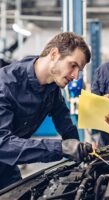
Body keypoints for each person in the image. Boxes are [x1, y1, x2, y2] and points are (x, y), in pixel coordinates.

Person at [0, 32, 93, 189]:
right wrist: (61, 148)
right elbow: (3, 144)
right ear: (54, 54)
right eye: (73, 65)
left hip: (6, 166)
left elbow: (62, 117)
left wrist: (80, 149)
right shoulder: (6, 85)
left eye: (79, 70)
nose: (76, 76)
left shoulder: (51, 85)